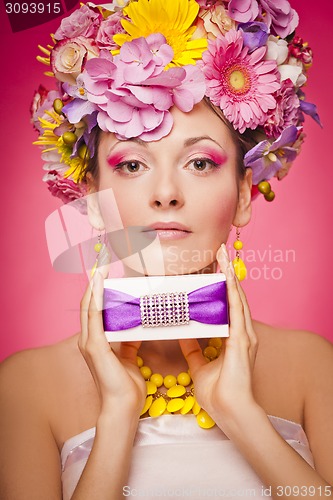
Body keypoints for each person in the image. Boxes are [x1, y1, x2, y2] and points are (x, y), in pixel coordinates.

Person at [1, 0, 332, 498]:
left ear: (243, 194)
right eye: (133, 165)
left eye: (200, 163)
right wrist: (116, 417)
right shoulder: (26, 386)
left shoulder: (313, 365)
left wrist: (241, 414)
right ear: (93, 202)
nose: (166, 193)